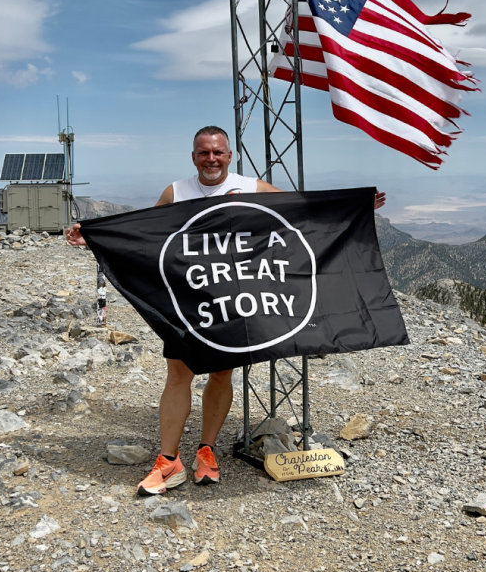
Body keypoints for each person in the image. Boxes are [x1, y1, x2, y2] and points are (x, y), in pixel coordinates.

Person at [65, 124, 385, 496]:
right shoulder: (177, 191)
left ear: (229, 156)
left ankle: (206, 451)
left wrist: (353, 207)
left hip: (234, 302)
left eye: (218, 152)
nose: (211, 159)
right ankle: (168, 462)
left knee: (221, 375)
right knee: (177, 376)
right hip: (188, 302)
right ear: (194, 156)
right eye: (204, 152)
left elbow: (299, 211)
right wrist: (95, 237)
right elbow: (144, 236)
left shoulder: (251, 188)